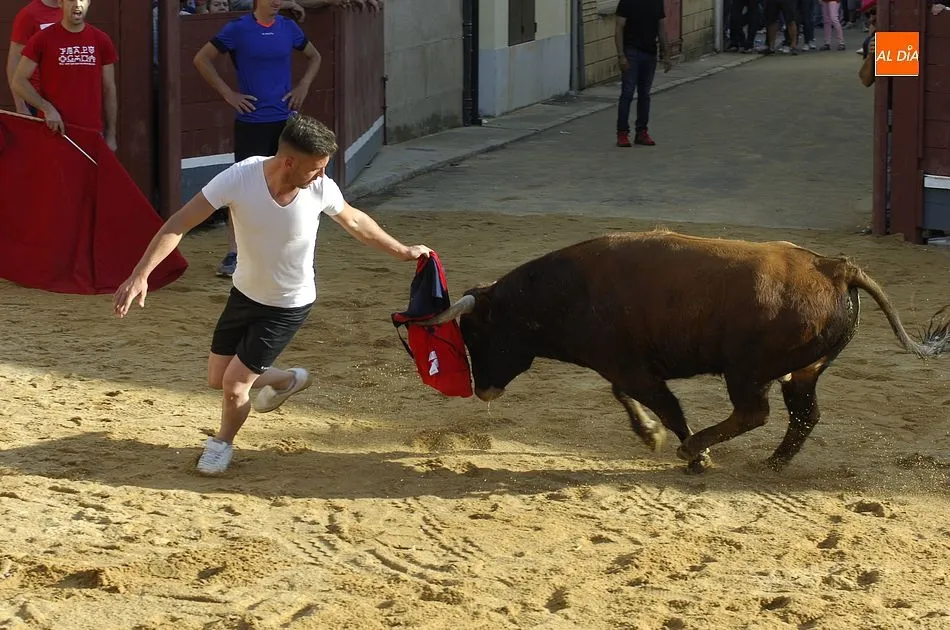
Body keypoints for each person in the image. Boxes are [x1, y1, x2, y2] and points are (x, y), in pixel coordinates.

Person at [112, 114, 433, 475]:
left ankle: (221, 445)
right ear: (289, 162)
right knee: (217, 378)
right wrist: (142, 274)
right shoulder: (240, 177)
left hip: (288, 304)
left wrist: (402, 251)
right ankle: (286, 380)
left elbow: (356, 222)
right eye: (316, 168)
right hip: (245, 293)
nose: (322, 175)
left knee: (235, 386)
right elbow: (179, 223)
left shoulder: (320, 188)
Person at [193, 0, 322, 278]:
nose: (277, 2)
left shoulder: (288, 28)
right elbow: (201, 59)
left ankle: (288, 251)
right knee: (245, 185)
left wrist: (303, 86)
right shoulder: (238, 29)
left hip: (285, 120)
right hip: (252, 120)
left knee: (291, 185)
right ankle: (234, 252)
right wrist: (229, 94)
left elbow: (316, 56)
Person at [12, 0, 118, 150]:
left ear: (89, 3)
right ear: (60, 3)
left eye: (82, 0)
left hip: (91, 134)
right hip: (55, 131)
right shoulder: (42, 39)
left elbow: (109, 89)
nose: (77, 4)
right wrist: (47, 108)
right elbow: (19, 81)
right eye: (70, 0)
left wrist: (111, 134)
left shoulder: (101, 40)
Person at [614, 0, 672, 148]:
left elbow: (661, 27)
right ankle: (622, 133)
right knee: (627, 93)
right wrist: (621, 55)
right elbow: (619, 27)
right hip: (631, 52)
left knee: (644, 94)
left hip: (650, 53)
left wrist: (666, 53)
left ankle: (641, 132)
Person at [6, 0, 61, 116]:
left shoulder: (71, 11)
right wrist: (21, 106)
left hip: (63, 95)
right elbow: (14, 61)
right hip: (36, 98)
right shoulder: (29, 14)